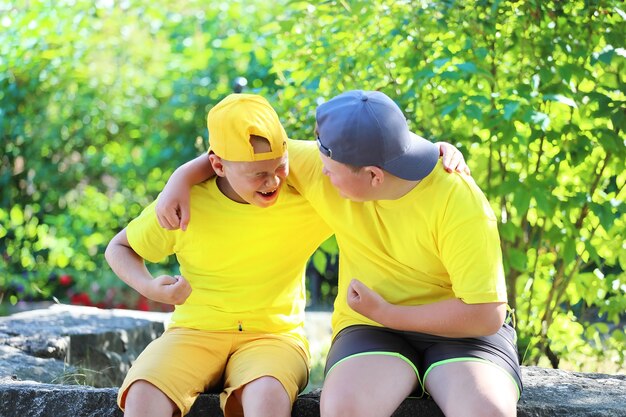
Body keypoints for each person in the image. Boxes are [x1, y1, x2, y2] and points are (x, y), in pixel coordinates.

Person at [154, 93, 487, 417]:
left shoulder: (456, 195)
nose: (320, 171)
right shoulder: (321, 166)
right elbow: (237, 158)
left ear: (373, 175)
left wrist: (388, 313)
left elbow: (484, 314)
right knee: (345, 409)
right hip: (372, 328)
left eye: (330, 168)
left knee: (484, 410)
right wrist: (181, 177)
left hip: (457, 331)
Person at [104, 94, 335, 417]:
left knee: (267, 398)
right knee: (143, 395)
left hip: (274, 337)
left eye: (280, 167)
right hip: (193, 332)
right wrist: (149, 287)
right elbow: (119, 248)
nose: (272, 182)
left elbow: (360, 170)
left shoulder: (305, 199)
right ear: (218, 165)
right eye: (257, 174)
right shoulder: (188, 203)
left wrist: (432, 152)